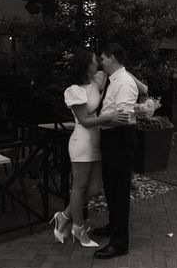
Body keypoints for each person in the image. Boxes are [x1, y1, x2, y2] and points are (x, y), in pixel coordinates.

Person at [50, 48, 148, 248]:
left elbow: (138, 85)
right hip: (82, 142)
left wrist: (125, 71)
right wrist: (110, 117)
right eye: (96, 60)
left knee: (95, 189)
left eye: (101, 59)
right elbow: (85, 121)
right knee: (79, 187)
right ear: (87, 64)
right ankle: (79, 229)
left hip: (98, 141)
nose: (99, 62)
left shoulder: (98, 79)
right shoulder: (74, 90)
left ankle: (64, 215)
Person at [93, 43, 139, 259]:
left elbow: (123, 119)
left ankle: (120, 242)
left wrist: (99, 122)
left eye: (102, 58)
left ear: (112, 58)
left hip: (119, 139)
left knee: (119, 190)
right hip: (112, 137)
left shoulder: (125, 82)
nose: (101, 62)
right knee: (111, 187)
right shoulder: (114, 81)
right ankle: (113, 226)